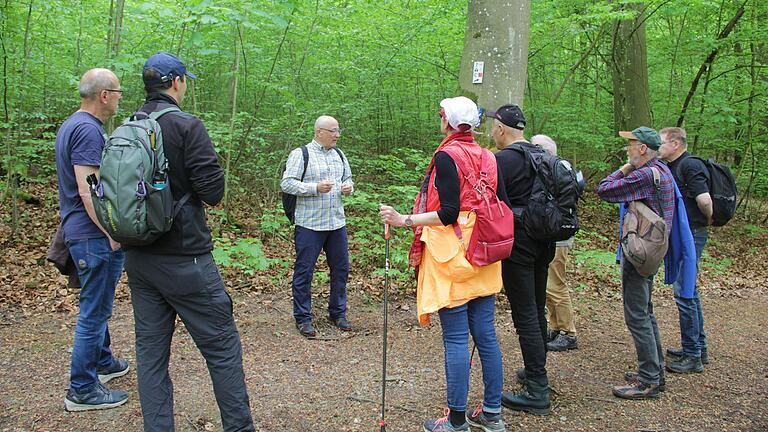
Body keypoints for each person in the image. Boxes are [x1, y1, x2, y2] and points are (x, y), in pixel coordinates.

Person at [122, 52, 254, 432]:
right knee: (222, 349)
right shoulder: (185, 126)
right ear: (177, 82)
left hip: (140, 259)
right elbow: (213, 191)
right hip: (187, 261)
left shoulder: (129, 126)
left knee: (150, 355)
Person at [380, 96, 507, 432]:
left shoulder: (447, 154)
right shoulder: (488, 156)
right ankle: (493, 414)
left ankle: (455, 422)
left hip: (453, 253)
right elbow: (501, 203)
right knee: (486, 335)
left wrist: (402, 219)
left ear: (449, 122)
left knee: (455, 338)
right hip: (484, 249)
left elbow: (448, 211)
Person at [56, 68, 130, 412]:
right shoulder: (87, 130)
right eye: (117, 92)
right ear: (104, 95)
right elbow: (90, 191)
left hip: (83, 232)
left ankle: (102, 362)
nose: (119, 98)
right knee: (94, 312)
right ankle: (82, 389)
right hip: (91, 235)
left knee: (96, 306)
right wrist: (110, 232)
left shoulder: (74, 124)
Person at [596, 126, 675, 400]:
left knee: (637, 315)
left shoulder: (643, 174)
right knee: (646, 311)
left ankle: (649, 379)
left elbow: (604, 190)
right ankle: (655, 371)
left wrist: (624, 168)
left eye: (631, 144)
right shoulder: (662, 171)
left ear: (643, 149)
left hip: (640, 251)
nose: (627, 149)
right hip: (653, 250)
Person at [488, 105, 554, 415]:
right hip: (545, 241)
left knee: (525, 313)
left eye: (493, 128)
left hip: (518, 244)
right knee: (537, 308)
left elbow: (490, 204)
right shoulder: (542, 155)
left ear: (501, 129)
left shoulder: (501, 160)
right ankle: (535, 372)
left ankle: (537, 390)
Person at [281, 116, 354, 338]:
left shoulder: (339, 155)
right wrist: (314, 188)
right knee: (305, 271)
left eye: (338, 131)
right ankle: (303, 317)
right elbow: (287, 183)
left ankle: (338, 312)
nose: (337, 135)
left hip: (336, 222)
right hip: (309, 224)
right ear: (319, 132)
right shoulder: (301, 154)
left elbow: (349, 178)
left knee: (341, 269)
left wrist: (349, 188)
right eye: (333, 131)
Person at [659, 127, 711, 373]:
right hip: (681, 234)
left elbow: (705, 200)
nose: (659, 147)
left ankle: (692, 356)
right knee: (689, 289)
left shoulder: (690, 165)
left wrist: (706, 221)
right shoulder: (671, 166)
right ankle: (698, 347)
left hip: (691, 234)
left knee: (685, 291)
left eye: (662, 143)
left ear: (676, 144)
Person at [530, 134, 578, 352]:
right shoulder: (558, 170)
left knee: (555, 285)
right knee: (549, 286)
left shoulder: (556, 171)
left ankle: (568, 333)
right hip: (553, 234)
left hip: (557, 236)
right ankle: (557, 327)